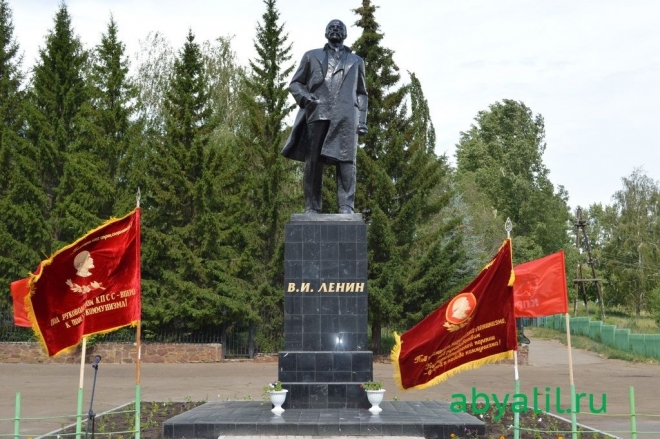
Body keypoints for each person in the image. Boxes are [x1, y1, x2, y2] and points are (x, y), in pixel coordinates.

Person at [281, 19, 368, 214]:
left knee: (346, 161)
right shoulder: (311, 56)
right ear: (326, 32)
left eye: (339, 27)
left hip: (346, 117)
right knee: (313, 161)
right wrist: (306, 98)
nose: (335, 29)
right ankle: (312, 206)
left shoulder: (356, 61)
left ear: (345, 34)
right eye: (331, 27)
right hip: (318, 112)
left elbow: (362, 93)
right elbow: (295, 84)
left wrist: (362, 121)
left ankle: (346, 206)